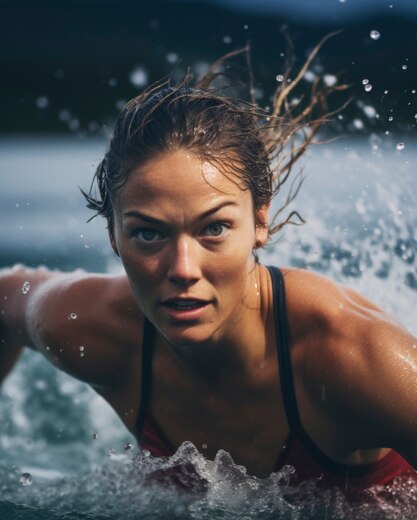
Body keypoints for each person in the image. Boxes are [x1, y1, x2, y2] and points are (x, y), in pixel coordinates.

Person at [1, 47, 417, 492]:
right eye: (147, 234)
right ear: (112, 236)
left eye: (214, 228)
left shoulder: (352, 359)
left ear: (260, 222)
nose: (183, 269)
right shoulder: (97, 331)